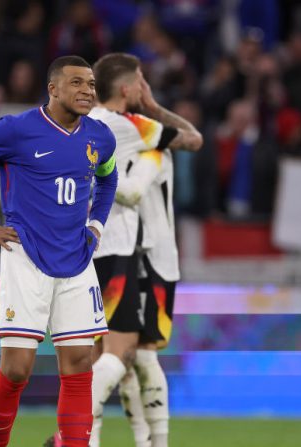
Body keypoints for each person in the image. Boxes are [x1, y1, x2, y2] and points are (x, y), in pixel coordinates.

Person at [0, 55, 118, 447]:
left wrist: (97, 224)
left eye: (91, 84)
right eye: (76, 83)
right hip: (26, 257)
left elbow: (108, 177)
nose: (87, 90)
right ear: (53, 89)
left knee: (78, 365)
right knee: (18, 369)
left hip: (77, 259)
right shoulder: (17, 129)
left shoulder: (99, 136)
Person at [84, 53, 202, 447]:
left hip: (93, 247)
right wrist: (152, 107)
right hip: (142, 251)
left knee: (116, 356)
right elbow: (193, 138)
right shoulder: (136, 129)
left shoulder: (83, 127)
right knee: (134, 352)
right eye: (140, 82)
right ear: (127, 89)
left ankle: (134, 441)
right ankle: (79, 433)